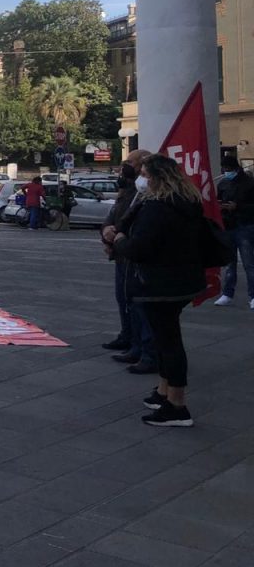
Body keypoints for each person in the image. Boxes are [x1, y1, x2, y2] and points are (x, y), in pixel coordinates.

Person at [112, 154, 209, 427]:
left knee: (168, 343)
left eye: (145, 173)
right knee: (167, 338)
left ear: (156, 177)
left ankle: (177, 405)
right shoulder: (187, 202)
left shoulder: (158, 207)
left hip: (159, 283)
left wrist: (119, 239)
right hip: (183, 281)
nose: (141, 178)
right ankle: (164, 391)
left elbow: (139, 248)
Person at [102, 150, 158, 374]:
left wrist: (119, 237)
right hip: (122, 252)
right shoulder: (126, 189)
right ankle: (131, 340)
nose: (124, 166)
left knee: (139, 305)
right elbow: (115, 214)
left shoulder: (147, 194)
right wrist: (106, 233)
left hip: (136, 256)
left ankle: (147, 351)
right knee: (125, 299)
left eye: (129, 163)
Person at [214, 155, 254, 308]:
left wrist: (237, 207)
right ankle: (227, 293)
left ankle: (252, 295)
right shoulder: (223, 184)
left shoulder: (249, 183)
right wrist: (221, 207)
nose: (226, 172)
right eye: (224, 169)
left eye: (228, 169)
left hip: (245, 225)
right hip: (229, 225)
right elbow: (219, 200)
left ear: (236, 168)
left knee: (249, 263)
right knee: (229, 263)